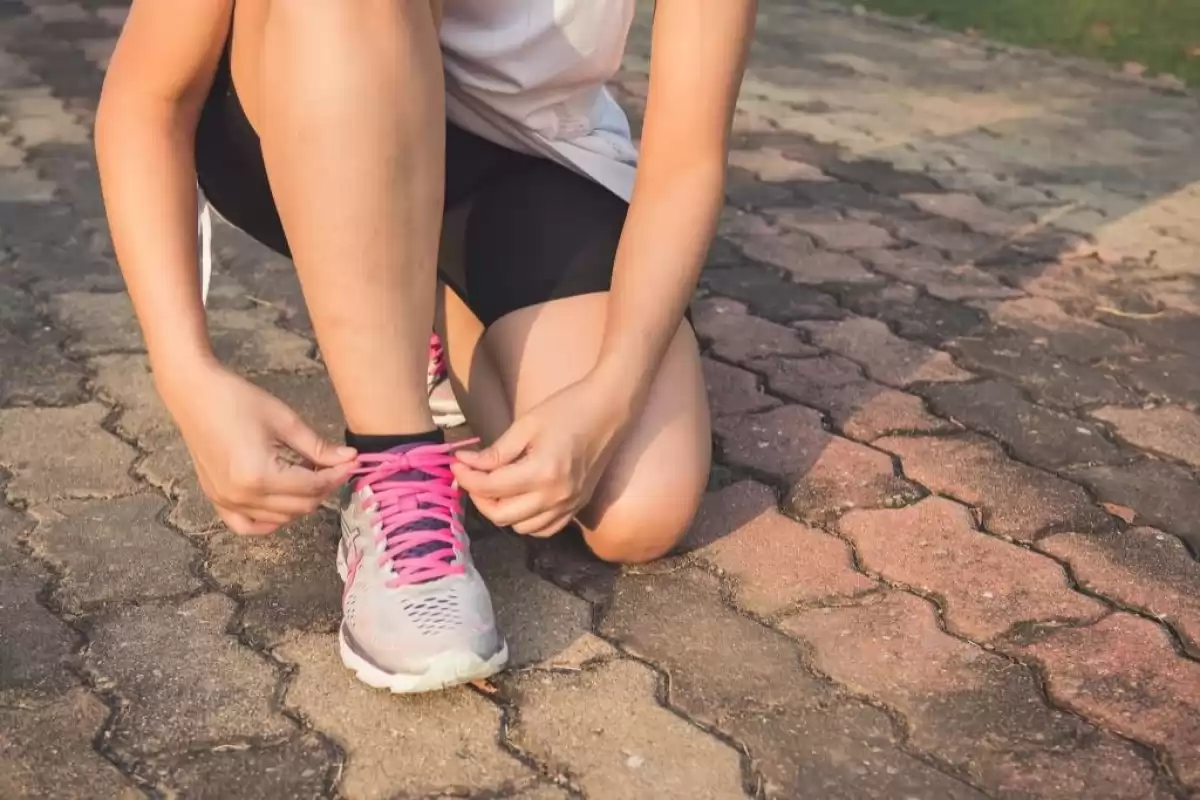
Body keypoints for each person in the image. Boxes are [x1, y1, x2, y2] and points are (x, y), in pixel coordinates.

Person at [95, 0, 756, 693]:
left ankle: (418, 308)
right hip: (309, 90)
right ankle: (395, 465)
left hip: (528, 157)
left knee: (635, 507)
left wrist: (611, 393)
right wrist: (186, 371)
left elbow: (687, 158)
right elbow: (148, 97)